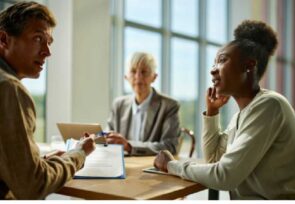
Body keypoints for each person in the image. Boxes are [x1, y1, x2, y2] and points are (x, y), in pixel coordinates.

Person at [154, 20, 295, 199]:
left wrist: (171, 165)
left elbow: (225, 177)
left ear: (249, 65)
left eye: (222, 60)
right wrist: (212, 112)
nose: (213, 70)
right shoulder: (241, 116)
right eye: (214, 63)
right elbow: (213, 158)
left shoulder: (269, 106)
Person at [0, 2, 96, 199]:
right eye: (38, 39)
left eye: (48, 42)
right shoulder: (10, 89)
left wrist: (39, 161)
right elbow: (32, 186)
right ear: (3, 39)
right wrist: (78, 155)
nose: (47, 52)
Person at [106, 52, 180, 155]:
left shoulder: (169, 106)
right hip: (123, 165)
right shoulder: (118, 105)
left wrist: (129, 146)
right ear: (126, 77)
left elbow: (170, 146)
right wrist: (97, 139)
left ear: (154, 77)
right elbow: (108, 137)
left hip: (152, 167)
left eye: (144, 72)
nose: (138, 77)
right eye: (133, 71)